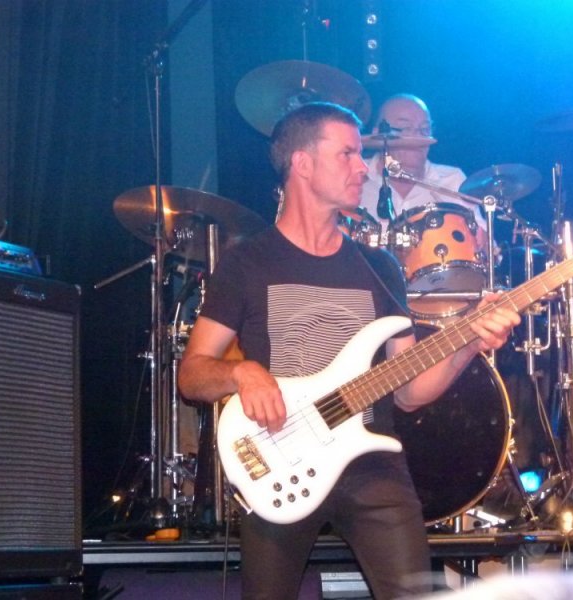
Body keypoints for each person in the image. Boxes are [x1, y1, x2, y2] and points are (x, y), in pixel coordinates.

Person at [178, 102, 520, 600]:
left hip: (371, 464)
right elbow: (192, 375)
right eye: (348, 154)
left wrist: (469, 342)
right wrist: (241, 374)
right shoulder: (247, 263)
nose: (364, 167)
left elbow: (409, 394)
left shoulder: (379, 266)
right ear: (302, 163)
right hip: (280, 457)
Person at [359, 93, 489, 254]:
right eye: (406, 128)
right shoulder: (356, 176)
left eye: (425, 129)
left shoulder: (452, 180)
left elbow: (487, 252)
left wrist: (483, 242)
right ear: (378, 134)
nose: (418, 137)